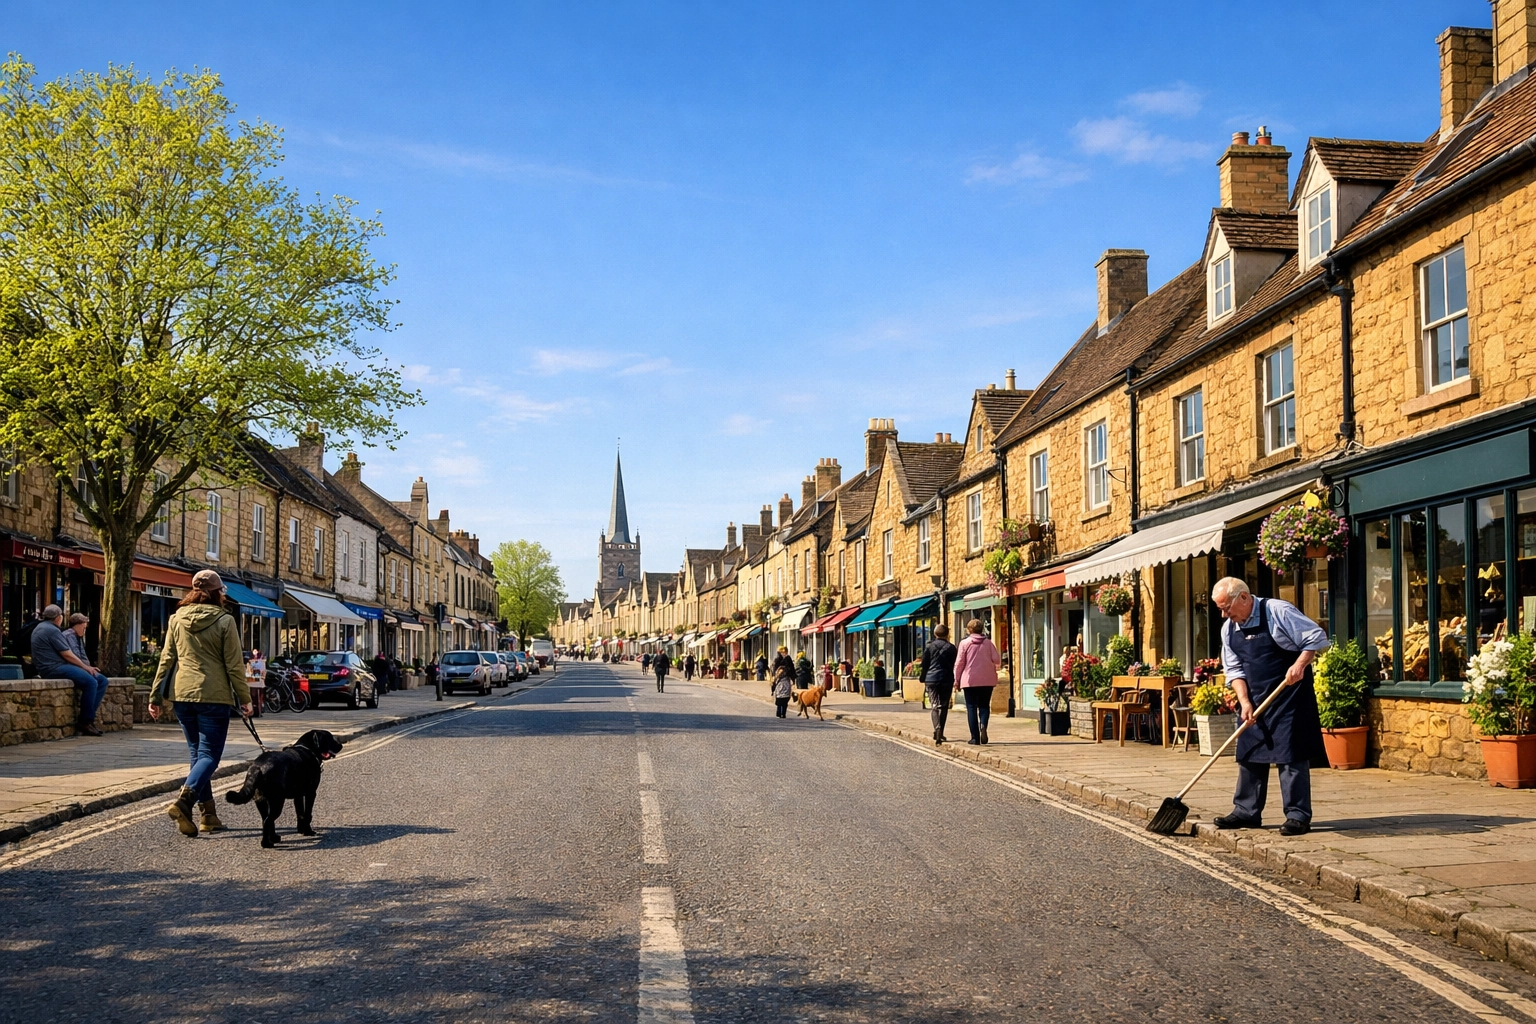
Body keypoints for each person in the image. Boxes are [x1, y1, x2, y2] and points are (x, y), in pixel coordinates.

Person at [1211, 577, 1329, 837]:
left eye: (1226, 608)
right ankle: (1246, 811)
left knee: (1291, 757)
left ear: (1243, 597)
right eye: (1220, 609)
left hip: (1289, 698)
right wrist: (1244, 702)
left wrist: (1299, 665)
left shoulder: (1277, 611)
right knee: (1250, 754)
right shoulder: (1229, 628)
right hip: (1255, 700)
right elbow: (1234, 669)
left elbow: (1316, 637)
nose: (1224, 614)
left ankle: (1297, 816)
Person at [148, 570, 252, 837]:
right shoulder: (225, 620)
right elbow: (234, 666)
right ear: (219, 592)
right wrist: (245, 699)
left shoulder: (176, 619)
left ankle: (209, 816)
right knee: (209, 756)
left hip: (182, 695)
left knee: (197, 755)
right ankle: (184, 801)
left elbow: (166, 659)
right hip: (213, 696)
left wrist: (155, 696)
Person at [31, 605, 108, 736]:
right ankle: (85, 721)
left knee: (101, 680)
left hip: (51, 667)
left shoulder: (40, 627)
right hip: (54, 668)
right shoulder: (52, 631)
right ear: (59, 618)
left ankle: (89, 718)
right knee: (91, 682)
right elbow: (67, 654)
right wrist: (86, 667)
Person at [954, 618, 1003, 745]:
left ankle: (975, 737)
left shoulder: (964, 643)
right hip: (987, 679)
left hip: (969, 680)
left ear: (969, 630)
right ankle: (983, 725)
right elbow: (997, 660)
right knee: (984, 706)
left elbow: (959, 663)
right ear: (981, 629)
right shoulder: (989, 643)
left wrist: (956, 679)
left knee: (971, 707)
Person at [919, 623, 958, 745]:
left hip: (931, 679)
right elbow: (954, 664)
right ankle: (941, 731)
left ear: (935, 634)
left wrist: (923, 677)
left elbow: (924, 664)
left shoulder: (929, 647)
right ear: (947, 634)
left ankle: (937, 727)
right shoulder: (951, 648)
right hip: (946, 678)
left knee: (934, 705)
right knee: (944, 705)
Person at [770, 645, 795, 718]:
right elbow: (792, 671)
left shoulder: (777, 660)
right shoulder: (787, 659)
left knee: (780, 698)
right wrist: (793, 680)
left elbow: (773, 671)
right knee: (785, 698)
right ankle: (782, 713)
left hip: (780, 682)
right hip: (785, 682)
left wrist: (773, 683)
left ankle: (779, 712)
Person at [247, 648, 267, 717]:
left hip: (258, 679)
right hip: (254, 679)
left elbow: (263, 671)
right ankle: (256, 709)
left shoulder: (261, 661)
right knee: (255, 694)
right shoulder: (251, 661)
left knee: (258, 695)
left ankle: (258, 710)